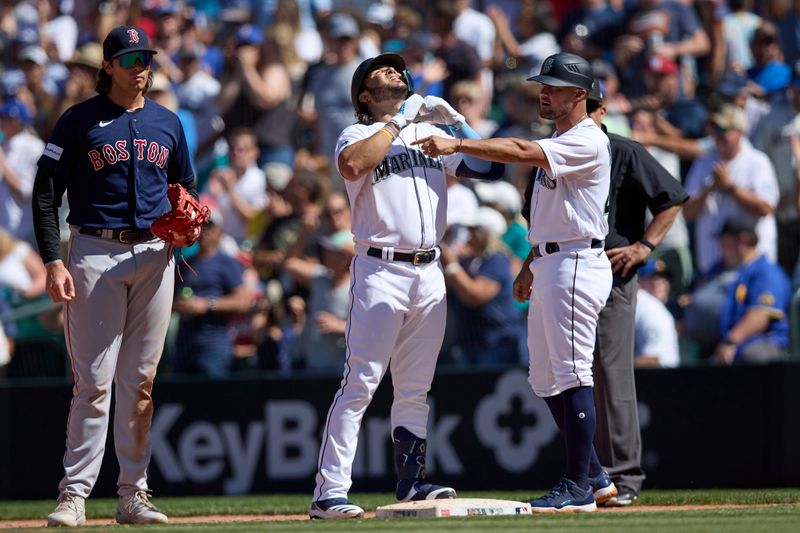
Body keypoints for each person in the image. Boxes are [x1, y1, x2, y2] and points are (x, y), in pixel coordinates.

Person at [309, 52, 504, 519]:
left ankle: (412, 483)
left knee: (415, 388)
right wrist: (400, 123)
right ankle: (329, 492)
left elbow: (490, 168)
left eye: (398, 70)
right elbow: (355, 166)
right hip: (380, 270)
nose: (394, 73)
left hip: (430, 272)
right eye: (382, 72)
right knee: (360, 383)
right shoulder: (356, 133)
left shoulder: (426, 132)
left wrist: (459, 123)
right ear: (364, 94)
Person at [420, 51, 612, 513]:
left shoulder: (587, 138)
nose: (543, 92)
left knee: (570, 373)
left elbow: (523, 153)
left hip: (576, 264)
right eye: (542, 85)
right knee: (544, 379)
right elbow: (553, 215)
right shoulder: (563, 136)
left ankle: (577, 484)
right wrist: (529, 263)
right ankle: (597, 475)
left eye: (553, 86)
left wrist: (460, 144)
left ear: (579, 96)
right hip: (552, 260)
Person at [32, 25, 198, 527]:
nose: (140, 66)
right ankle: (75, 495)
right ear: (108, 66)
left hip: (154, 255)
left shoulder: (167, 122)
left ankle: (133, 494)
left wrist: (188, 220)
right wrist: (52, 260)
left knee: (140, 382)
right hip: (94, 252)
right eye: (130, 59)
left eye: (145, 57)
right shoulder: (78, 121)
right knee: (94, 382)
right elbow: (45, 193)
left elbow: (184, 186)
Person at [585, 80, 688, 506]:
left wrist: (645, 245)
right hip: (564, 271)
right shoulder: (554, 150)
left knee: (610, 373)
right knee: (571, 376)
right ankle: (587, 474)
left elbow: (672, 198)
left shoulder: (624, 151)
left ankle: (624, 475)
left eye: (591, 106)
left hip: (611, 268)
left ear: (602, 110)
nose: (585, 114)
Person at [714, 218, 792, 364]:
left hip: (765, 345)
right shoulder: (740, 271)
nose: (721, 248)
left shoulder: (766, 271)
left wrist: (730, 342)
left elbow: (761, 315)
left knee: (752, 356)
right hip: (737, 346)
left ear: (742, 240)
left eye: (724, 242)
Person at [634, 260, 680, 369]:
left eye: (664, 278)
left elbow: (655, 360)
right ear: (639, 282)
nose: (660, 284)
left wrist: (614, 368)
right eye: (653, 278)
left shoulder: (654, 310)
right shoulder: (649, 307)